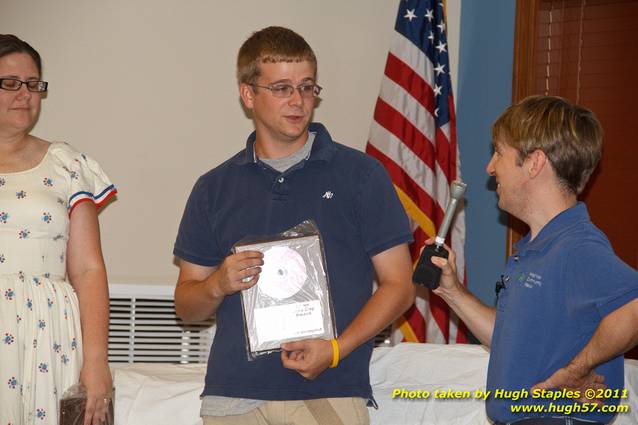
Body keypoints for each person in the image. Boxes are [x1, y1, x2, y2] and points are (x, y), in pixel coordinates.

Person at [173, 26, 415, 425]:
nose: (298, 101)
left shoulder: (362, 176)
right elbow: (187, 305)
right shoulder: (213, 188)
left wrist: (336, 350)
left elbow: (400, 285)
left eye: (307, 87)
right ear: (248, 94)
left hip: (329, 388)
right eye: (282, 88)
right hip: (233, 395)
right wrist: (218, 283)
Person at [431, 95, 638, 425]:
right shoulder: (532, 250)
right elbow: (509, 337)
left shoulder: (576, 246)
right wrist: (452, 291)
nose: (490, 167)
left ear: (534, 162)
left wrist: (578, 369)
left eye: (499, 152)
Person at [0, 35, 116, 425]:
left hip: (48, 336)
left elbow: (88, 270)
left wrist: (97, 364)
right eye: (10, 83)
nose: (25, 94)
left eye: (33, 84)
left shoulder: (66, 164)